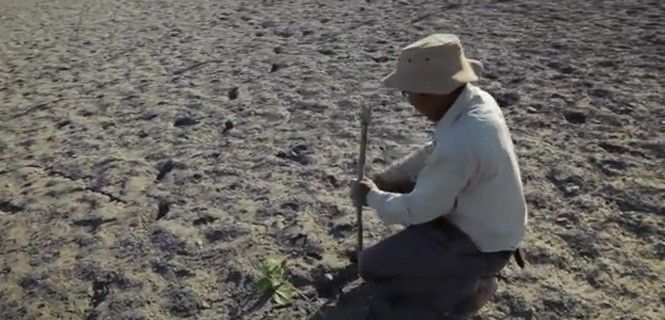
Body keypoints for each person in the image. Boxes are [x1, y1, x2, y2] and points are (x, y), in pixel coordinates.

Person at [350, 33, 527, 318]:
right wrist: (386, 178)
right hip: (489, 225)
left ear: (432, 91)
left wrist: (372, 197)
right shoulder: (474, 103)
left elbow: (415, 210)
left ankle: (467, 291)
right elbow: (432, 152)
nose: (407, 101)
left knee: (371, 267)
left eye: (408, 92)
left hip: (481, 243)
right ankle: (458, 274)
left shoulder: (462, 141)